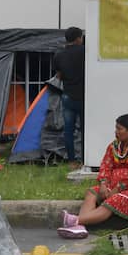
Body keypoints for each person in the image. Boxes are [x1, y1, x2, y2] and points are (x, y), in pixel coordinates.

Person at [57, 114, 128, 239]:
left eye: (120, 129)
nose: (116, 132)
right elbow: (106, 165)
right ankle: (79, 227)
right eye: (116, 128)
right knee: (92, 193)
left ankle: (76, 220)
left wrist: (117, 189)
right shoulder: (114, 146)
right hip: (113, 185)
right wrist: (103, 184)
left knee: (113, 200)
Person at [52, 26, 85, 168]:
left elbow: (58, 76)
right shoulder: (85, 52)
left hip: (68, 96)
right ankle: (85, 160)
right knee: (85, 130)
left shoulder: (59, 55)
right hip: (84, 97)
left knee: (69, 130)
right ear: (78, 38)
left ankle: (71, 161)